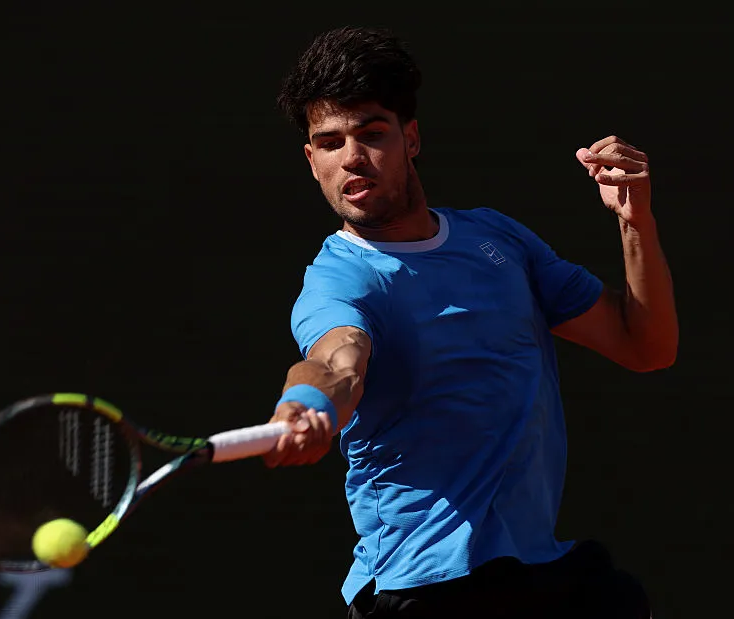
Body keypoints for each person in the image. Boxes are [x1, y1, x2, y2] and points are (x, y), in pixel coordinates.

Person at [264, 25, 678, 618]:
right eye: (329, 143)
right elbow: (338, 359)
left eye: (371, 134)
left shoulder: (498, 239)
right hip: (424, 590)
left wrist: (635, 221)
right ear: (312, 160)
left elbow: (647, 346)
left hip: (536, 570)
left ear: (411, 138)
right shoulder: (339, 280)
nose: (351, 158)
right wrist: (308, 402)